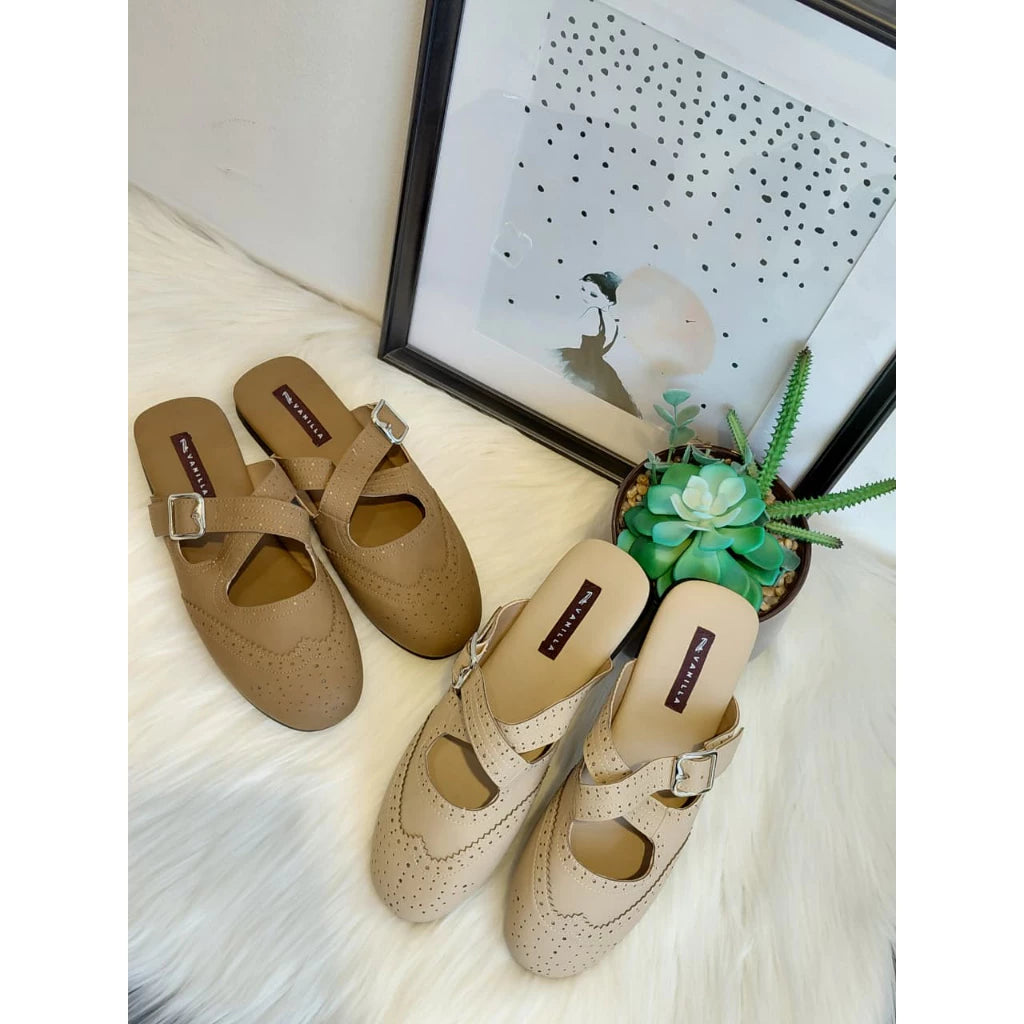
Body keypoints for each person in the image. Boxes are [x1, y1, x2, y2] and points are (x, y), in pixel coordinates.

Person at [553, 271, 641, 417]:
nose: (585, 297)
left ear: (610, 301)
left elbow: (571, 335)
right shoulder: (613, 322)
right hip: (597, 367)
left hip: (581, 363)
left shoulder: (593, 313)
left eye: (593, 295)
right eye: (583, 290)